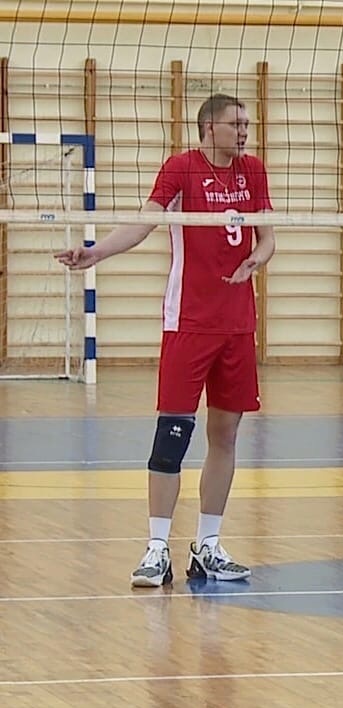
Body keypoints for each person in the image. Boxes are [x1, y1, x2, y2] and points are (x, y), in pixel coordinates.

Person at [56, 94, 275, 586]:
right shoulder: (182, 168)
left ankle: (208, 545)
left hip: (238, 324)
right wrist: (96, 252)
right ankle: (157, 548)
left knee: (225, 436)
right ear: (209, 128)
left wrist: (256, 260)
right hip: (188, 322)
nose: (245, 131)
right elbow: (144, 222)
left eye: (247, 123)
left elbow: (268, 237)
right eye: (236, 124)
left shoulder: (253, 170)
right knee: (172, 434)